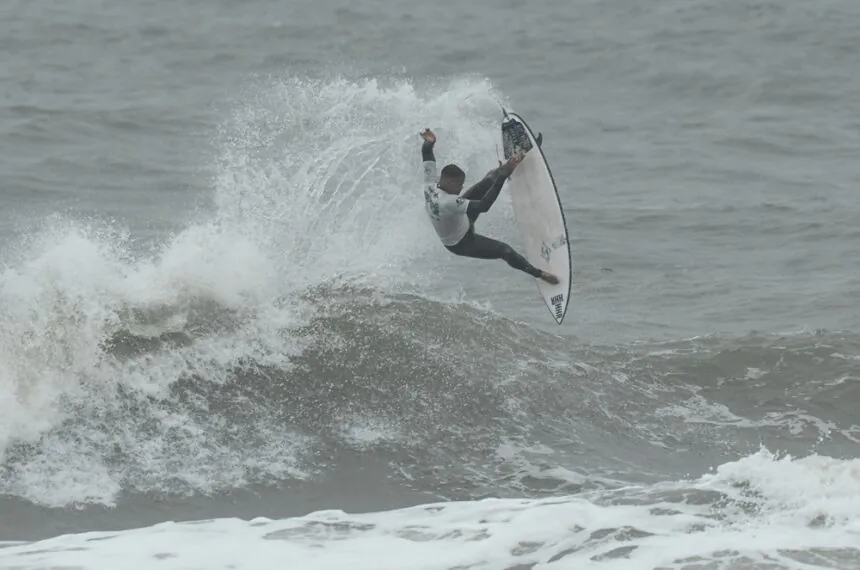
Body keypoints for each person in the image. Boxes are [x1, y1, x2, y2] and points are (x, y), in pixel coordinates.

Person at [419, 128, 559, 285]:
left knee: (487, 181)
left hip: (457, 218)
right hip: (461, 242)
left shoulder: (429, 186)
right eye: (459, 185)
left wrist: (429, 143)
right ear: (450, 183)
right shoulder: (448, 202)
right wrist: (502, 178)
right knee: (505, 251)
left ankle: (516, 159)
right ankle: (540, 274)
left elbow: (427, 155)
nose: (461, 189)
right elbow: (484, 206)